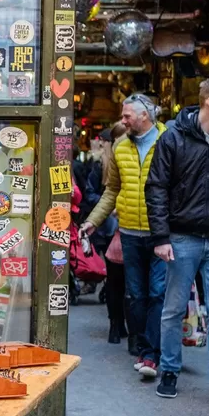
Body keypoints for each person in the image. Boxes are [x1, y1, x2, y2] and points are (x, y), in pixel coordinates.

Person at [145, 76, 209, 408]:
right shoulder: (174, 138)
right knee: (172, 310)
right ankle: (169, 370)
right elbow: (156, 187)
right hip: (181, 236)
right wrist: (161, 237)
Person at [82, 94, 167, 378]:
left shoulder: (169, 141)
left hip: (161, 233)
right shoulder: (120, 146)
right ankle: (144, 349)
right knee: (136, 295)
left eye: (127, 115)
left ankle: (151, 354)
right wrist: (94, 221)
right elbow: (112, 190)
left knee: (157, 293)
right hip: (129, 231)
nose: (123, 120)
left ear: (145, 116)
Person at [86, 123, 129, 345]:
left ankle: (117, 325)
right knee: (125, 282)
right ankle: (120, 326)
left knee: (116, 281)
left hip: (111, 226)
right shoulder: (105, 163)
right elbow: (94, 193)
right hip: (114, 227)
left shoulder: (105, 161)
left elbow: (91, 193)